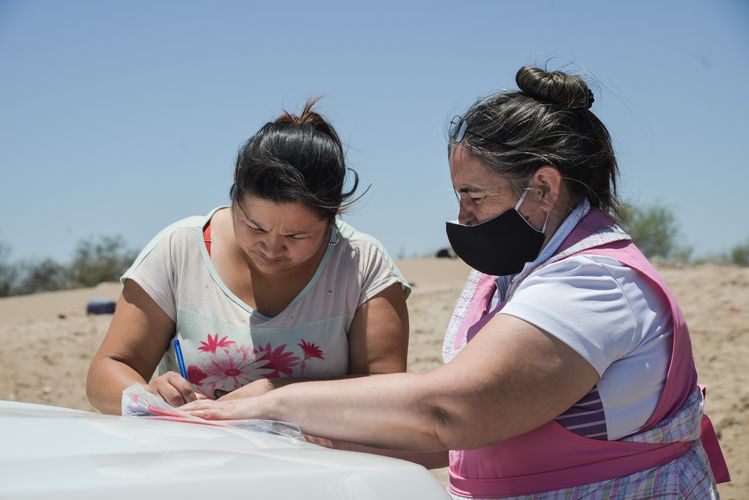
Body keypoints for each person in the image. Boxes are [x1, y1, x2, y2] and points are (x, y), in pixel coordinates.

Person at [181, 67, 730, 498]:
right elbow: (462, 438)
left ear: (541, 187)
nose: (461, 218)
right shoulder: (517, 277)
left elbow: (449, 413)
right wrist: (304, 437)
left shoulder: (595, 285)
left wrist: (276, 402)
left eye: (474, 196)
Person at [86, 99, 410, 415]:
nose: (271, 248)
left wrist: (277, 396)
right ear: (234, 192)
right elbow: (107, 371)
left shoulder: (362, 266)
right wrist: (146, 395)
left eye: (296, 236)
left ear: (332, 219)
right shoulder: (179, 250)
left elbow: (387, 394)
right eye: (254, 226)